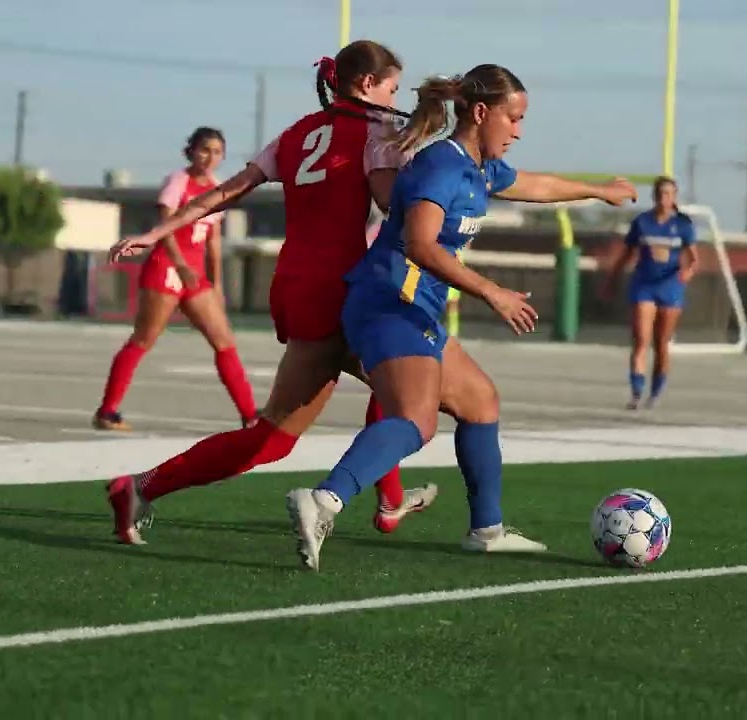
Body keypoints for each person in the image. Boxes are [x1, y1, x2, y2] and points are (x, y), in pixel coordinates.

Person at [284, 63, 638, 571]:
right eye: (513, 118)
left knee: (480, 402)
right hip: (389, 304)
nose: (518, 131)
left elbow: (536, 185)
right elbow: (420, 244)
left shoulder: (480, 168)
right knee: (415, 420)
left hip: (413, 308)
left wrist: (598, 191)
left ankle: (486, 531)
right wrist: (492, 292)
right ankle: (324, 500)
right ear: (481, 113)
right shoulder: (441, 167)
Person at [102, 40, 428, 545]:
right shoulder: (376, 130)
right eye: (393, 87)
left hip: (298, 286)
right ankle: (403, 507)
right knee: (425, 399)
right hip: (344, 291)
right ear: (368, 84)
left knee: (273, 438)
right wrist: (442, 179)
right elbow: (392, 204)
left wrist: (156, 233)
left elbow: (226, 191)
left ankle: (140, 487)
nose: (395, 98)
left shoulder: (298, 132)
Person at [93, 127, 257, 432]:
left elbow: (213, 241)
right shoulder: (177, 181)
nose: (210, 157)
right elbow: (165, 226)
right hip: (167, 268)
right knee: (143, 339)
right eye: (204, 150)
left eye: (217, 152)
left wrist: (217, 285)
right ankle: (107, 411)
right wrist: (180, 264)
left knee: (224, 342)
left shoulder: (218, 188)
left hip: (194, 274)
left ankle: (250, 416)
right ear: (191, 151)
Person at [598, 176, 696, 409]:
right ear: (654, 196)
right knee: (641, 339)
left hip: (670, 287)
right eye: (661, 194)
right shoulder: (642, 222)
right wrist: (611, 280)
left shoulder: (683, 225)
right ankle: (636, 392)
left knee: (661, 343)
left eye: (669, 194)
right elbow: (626, 255)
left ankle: (656, 392)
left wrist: (687, 272)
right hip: (644, 285)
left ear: (674, 197)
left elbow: (693, 259)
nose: (664, 199)